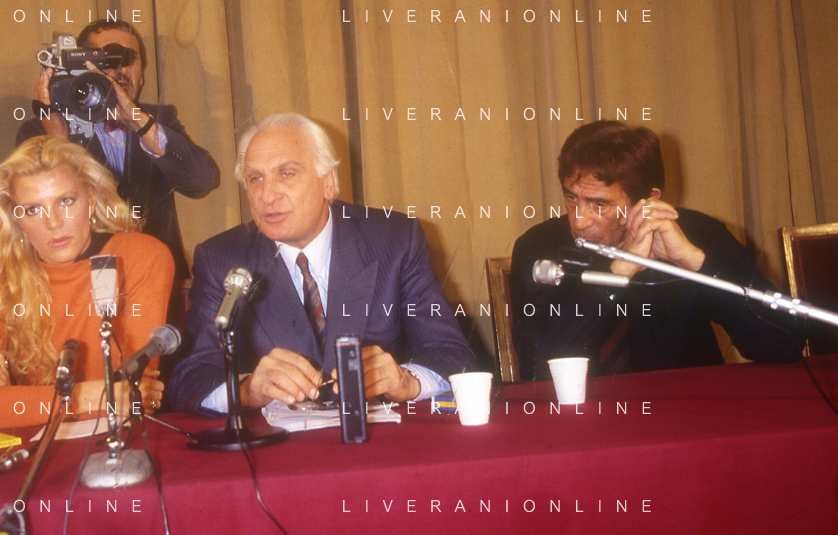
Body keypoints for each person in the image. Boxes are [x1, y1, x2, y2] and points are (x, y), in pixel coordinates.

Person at [170, 112, 475, 414]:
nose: (267, 195)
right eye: (255, 178)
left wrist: (407, 381)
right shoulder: (221, 258)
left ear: (328, 182)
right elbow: (188, 379)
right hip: (280, 443)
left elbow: (453, 355)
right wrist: (246, 390)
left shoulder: (394, 241)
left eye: (286, 174)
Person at [509, 120, 803, 380]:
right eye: (571, 197)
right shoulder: (540, 247)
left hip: (690, 411)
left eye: (599, 205)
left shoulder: (698, 234)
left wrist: (694, 261)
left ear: (648, 200)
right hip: (586, 417)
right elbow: (536, 369)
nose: (578, 220)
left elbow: (784, 345)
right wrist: (621, 270)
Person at [0, 136, 174, 429]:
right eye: (32, 209)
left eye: (66, 201)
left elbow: (132, 395)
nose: (53, 222)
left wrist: (16, 399)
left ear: (91, 199)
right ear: (16, 218)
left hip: (120, 439)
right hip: (37, 443)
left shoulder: (140, 257)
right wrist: (87, 397)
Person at [17, 19, 218, 279]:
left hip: (158, 276)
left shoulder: (159, 119)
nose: (119, 69)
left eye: (128, 58)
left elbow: (202, 181)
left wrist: (140, 123)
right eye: (106, 59)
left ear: (141, 74)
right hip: (82, 281)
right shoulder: (41, 130)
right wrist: (58, 140)